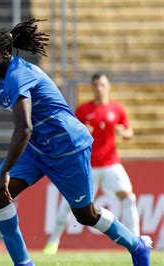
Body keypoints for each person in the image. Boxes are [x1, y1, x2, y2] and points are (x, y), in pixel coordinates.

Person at [0, 19, 152, 266]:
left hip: (68, 148)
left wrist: (6, 172)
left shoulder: (18, 75)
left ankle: (136, 246)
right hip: (37, 149)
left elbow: (25, 128)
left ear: (5, 54)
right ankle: (24, 263)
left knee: (86, 214)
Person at [43, 73, 140, 255]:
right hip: (88, 166)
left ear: (108, 86)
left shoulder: (117, 109)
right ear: (92, 87)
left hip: (111, 164)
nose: (99, 88)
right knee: (69, 204)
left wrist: (124, 133)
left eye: (102, 84)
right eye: (96, 85)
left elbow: (129, 133)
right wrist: (81, 131)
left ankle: (136, 241)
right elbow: (70, 134)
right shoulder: (83, 110)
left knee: (129, 198)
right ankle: (53, 241)